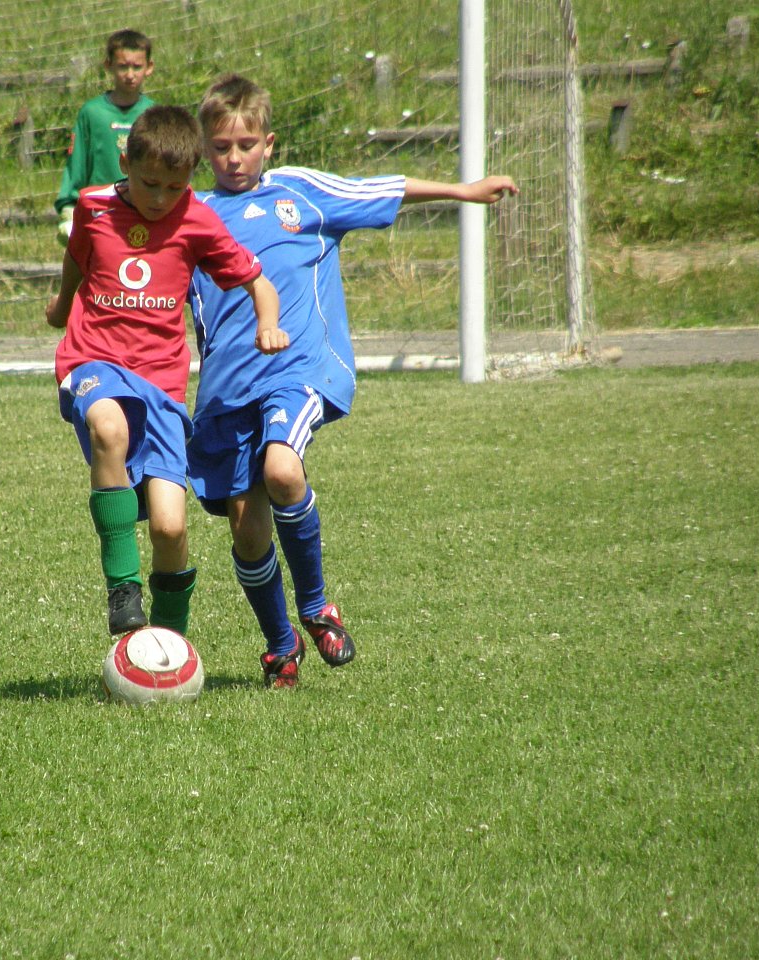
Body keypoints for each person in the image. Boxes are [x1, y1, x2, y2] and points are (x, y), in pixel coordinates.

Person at [188, 74, 518, 688]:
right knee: (246, 525)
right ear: (203, 149)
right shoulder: (190, 214)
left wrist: (463, 190)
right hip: (226, 390)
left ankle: (316, 606)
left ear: (269, 144)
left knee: (283, 470)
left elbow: (384, 187)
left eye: (247, 145)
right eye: (221, 147)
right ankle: (280, 644)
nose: (234, 158)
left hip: (297, 370)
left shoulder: (301, 192)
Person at [46, 105, 283, 638]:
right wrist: (62, 306)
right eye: (149, 183)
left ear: (191, 178)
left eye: (174, 188)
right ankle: (122, 587)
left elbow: (257, 282)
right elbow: (78, 258)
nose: (159, 199)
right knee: (109, 427)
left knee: (171, 528)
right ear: (126, 163)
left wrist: (268, 324)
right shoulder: (94, 207)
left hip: (161, 380)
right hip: (93, 357)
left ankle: (169, 641)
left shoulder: (197, 219)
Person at [53, 28, 155, 245]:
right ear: (109, 65)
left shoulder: (153, 113)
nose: (130, 75)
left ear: (149, 67)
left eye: (137, 67)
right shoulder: (92, 113)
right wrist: (68, 208)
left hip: (142, 210)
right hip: (100, 209)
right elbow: (76, 163)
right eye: (123, 66)